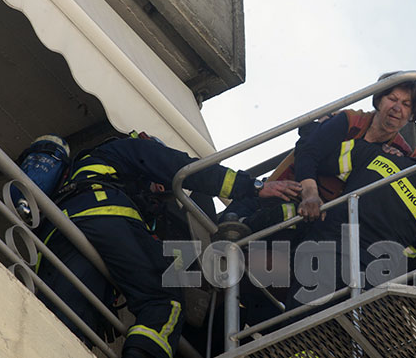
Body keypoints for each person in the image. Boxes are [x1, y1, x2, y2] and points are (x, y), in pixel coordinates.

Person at [35, 135, 301, 358]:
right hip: (104, 212)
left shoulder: (84, 175)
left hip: (59, 232)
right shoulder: (132, 149)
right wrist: (253, 186)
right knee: (165, 300)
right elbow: (182, 169)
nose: (161, 190)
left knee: (69, 321)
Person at [287, 134, 416, 310]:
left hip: (325, 257)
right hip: (368, 288)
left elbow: (316, 153)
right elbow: (406, 254)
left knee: (294, 326)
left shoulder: (376, 156)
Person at [293, 72, 416, 221]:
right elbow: (309, 153)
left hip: (339, 218)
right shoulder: (349, 121)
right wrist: (311, 196)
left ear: (411, 114)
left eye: (406, 104)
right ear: (379, 100)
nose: (397, 108)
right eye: (392, 99)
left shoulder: (401, 153)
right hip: (298, 195)